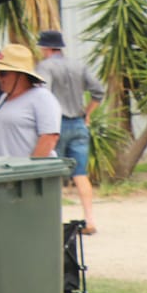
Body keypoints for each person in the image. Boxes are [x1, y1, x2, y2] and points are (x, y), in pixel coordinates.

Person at [35, 29, 103, 232]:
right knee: (80, 174)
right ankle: (90, 219)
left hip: (56, 125)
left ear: (45, 48)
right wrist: (87, 113)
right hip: (79, 123)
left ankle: (53, 221)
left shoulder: (45, 66)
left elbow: (42, 94)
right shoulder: (78, 65)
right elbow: (99, 90)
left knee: (53, 175)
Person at [0, 43, 64, 160]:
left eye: (3, 73)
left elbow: (49, 137)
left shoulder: (41, 97)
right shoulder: (4, 99)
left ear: (21, 75)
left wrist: (31, 170)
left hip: (22, 175)